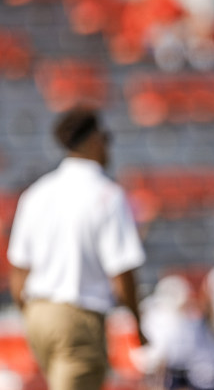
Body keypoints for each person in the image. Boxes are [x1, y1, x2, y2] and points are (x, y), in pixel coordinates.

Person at [7, 106, 147, 390]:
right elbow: (123, 271)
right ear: (94, 139)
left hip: (38, 314)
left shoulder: (36, 193)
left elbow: (18, 270)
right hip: (78, 314)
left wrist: (34, 314)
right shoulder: (107, 195)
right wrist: (138, 325)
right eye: (106, 138)